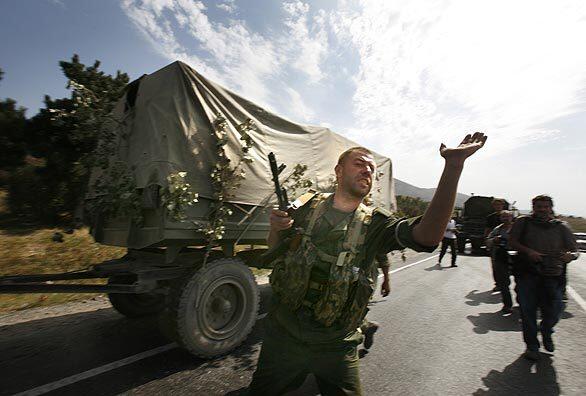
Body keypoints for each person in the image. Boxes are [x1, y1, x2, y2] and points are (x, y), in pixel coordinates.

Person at [248, 133, 487, 395]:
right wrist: (276, 228)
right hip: (283, 336)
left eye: (372, 169)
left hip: (336, 343)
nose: (367, 171)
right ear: (339, 171)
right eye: (360, 164)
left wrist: (453, 166)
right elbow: (275, 248)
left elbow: (427, 238)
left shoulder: (376, 224)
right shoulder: (306, 205)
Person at [509, 195, 579, 361]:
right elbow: (512, 241)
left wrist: (571, 256)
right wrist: (528, 252)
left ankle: (546, 330)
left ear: (551, 208)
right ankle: (532, 346)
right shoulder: (523, 222)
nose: (542, 209)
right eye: (538, 206)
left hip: (554, 275)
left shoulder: (561, 227)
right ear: (533, 207)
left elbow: (575, 250)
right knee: (527, 312)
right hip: (528, 273)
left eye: (545, 207)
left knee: (555, 310)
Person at [360, 252, 391, 350]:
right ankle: (367, 327)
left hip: (365, 275)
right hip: (341, 271)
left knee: (353, 309)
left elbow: (383, 256)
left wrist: (386, 280)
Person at [486, 210, 514, 313]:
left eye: (508, 216)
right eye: (503, 217)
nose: (506, 219)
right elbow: (488, 241)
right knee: (503, 283)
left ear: (512, 217)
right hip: (502, 258)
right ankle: (507, 305)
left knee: (522, 284)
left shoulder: (518, 229)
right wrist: (494, 240)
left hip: (519, 259)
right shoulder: (497, 230)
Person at [486, 198, 506, 291]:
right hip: (495, 243)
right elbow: (488, 230)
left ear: (503, 205)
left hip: (507, 244)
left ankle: (505, 282)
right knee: (495, 265)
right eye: (496, 205)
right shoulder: (491, 217)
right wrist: (487, 242)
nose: (498, 206)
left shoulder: (508, 215)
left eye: (499, 205)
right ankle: (498, 283)